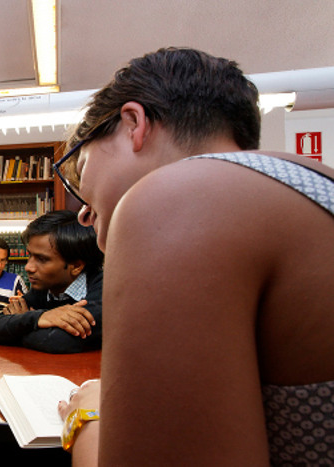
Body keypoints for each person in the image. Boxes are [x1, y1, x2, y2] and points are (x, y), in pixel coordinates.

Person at [56, 47, 334, 466]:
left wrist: (87, 416)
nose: (82, 209)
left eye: (82, 163)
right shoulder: (310, 181)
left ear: (133, 123)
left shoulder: (175, 198)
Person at [0, 211, 103, 353]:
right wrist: (40, 317)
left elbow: (58, 342)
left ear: (76, 266)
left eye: (42, 259)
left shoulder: (104, 292)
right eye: (30, 255)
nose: (28, 267)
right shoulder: (44, 289)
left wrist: (19, 323)